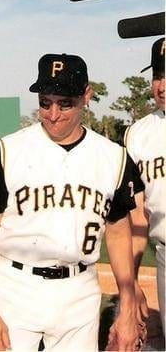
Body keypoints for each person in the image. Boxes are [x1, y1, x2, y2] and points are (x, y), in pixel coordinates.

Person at [0, 53, 144, 351]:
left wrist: (127, 303)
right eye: (45, 102)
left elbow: (117, 232)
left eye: (65, 104)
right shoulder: (5, 152)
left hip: (80, 291)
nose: (53, 114)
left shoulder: (113, 157)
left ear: (86, 95)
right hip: (15, 287)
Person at [126, 37, 165, 335]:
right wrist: (132, 282)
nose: (161, 86)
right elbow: (136, 215)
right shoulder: (137, 135)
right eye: (157, 76)